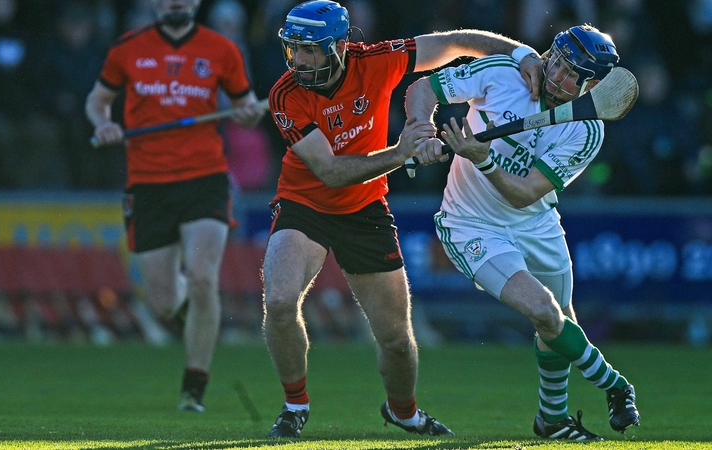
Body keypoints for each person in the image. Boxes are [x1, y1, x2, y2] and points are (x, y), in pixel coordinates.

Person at [263, 0, 544, 439]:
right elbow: (330, 172)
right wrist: (402, 152)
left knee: (395, 338)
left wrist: (522, 53)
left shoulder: (378, 60)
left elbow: (456, 43)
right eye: (294, 49)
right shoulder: (285, 94)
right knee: (280, 301)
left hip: (365, 208)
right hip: (305, 204)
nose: (299, 59)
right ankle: (294, 404)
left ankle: (404, 412)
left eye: (310, 50)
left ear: (338, 47)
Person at [405, 24, 641, 440]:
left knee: (559, 323)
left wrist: (483, 160)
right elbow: (424, 88)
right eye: (557, 63)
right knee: (544, 312)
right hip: (471, 224)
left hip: (536, 222)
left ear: (591, 87)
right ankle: (616, 385)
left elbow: (525, 193)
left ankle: (552, 420)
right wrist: (422, 128)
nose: (557, 77)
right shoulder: (502, 73)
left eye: (572, 75)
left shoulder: (586, 129)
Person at [85, 0, 265, 412]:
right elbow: (97, 100)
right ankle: (199, 310)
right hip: (148, 185)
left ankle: (194, 386)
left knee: (203, 278)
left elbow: (246, 107)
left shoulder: (222, 49)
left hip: (205, 179)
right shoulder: (127, 49)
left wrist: (249, 113)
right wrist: (104, 123)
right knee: (164, 303)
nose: (175, 1)